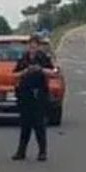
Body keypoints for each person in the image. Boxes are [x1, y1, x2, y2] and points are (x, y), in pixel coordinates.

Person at [12, 34, 57, 162]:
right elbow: (14, 74)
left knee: (39, 124)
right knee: (25, 124)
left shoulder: (43, 57)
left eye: (35, 45)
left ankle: (42, 152)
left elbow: (53, 72)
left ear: (38, 46)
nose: (32, 47)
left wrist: (40, 69)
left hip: (39, 93)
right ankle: (21, 151)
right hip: (25, 93)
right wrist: (25, 71)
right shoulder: (23, 58)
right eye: (30, 45)